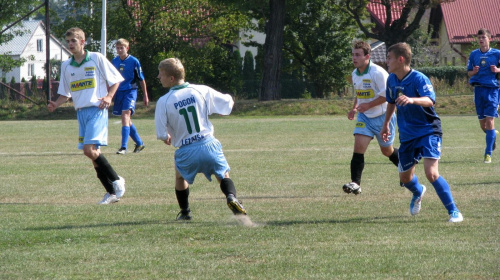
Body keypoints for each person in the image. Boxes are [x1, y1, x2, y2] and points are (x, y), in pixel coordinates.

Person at [154, 58, 247, 220]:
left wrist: (166, 137)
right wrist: (222, 109)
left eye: (160, 74)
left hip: (186, 150)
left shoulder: (164, 101)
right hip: (208, 144)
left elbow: (161, 133)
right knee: (223, 174)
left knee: (180, 177)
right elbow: (226, 102)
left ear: (171, 79)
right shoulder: (200, 90)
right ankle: (231, 197)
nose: (158, 77)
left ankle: (185, 213)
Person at [381, 42, 463, 222]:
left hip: (428, 130)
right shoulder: (392, 79)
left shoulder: (419, 78)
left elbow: (429, 100)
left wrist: (411, 100)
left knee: (431, 173)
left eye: (389, 58)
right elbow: (391, 102)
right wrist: (387, 124)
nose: (386, 61)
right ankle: (418, 191)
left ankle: (454, 212)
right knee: (404, 177)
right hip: (408, 134)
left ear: (400, 59)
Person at [47, 27, 126, 205]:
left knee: (89, 150)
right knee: (93, 154)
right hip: (81, 112)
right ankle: (111, 193)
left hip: (96, 110)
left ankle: (116, 179)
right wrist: (56, 104)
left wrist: (108, 96)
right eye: (68, 41)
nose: (70, 44)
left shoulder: (96, 58)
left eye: (73, 41)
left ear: (82, 42)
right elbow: (65, 93)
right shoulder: (66, 65)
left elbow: (116, 79)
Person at [342, 41, 399, 195]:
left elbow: (388, 96)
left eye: (358, 55)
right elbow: (359, 94)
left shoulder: (378, 73)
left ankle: (406, 169)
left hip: (383, 117)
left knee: (387, 151)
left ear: (367, 56)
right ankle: (355, 183)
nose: (354, 58)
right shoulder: (355, 74)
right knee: (358, 148)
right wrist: (354, 108)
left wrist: (368, 105)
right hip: (365, 117)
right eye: (353, 54)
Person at [467, 28, 500, 163]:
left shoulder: (497, 53)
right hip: (478, 90)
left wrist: (498, 70)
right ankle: (492, 135)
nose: (481, 40)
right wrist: (473, 72)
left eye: (483, 37)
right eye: (479, 38)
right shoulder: (474, 54)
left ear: (489, 39)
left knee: (490, 121)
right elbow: (468, 73)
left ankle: (488, 154)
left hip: (492, 90)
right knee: (483, 126)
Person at [112, 38, 149, 155]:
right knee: (127, 119)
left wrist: (145, 96)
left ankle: (123, 147)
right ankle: (139, 143)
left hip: (130, 91)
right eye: (117, 48)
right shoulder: (114, 61)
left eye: (121, 48)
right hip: (119, 92)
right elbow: (111, 79)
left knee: (125, 116)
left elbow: (141, 79)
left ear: (127, 48)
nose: (119, 50)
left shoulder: (134, 61)